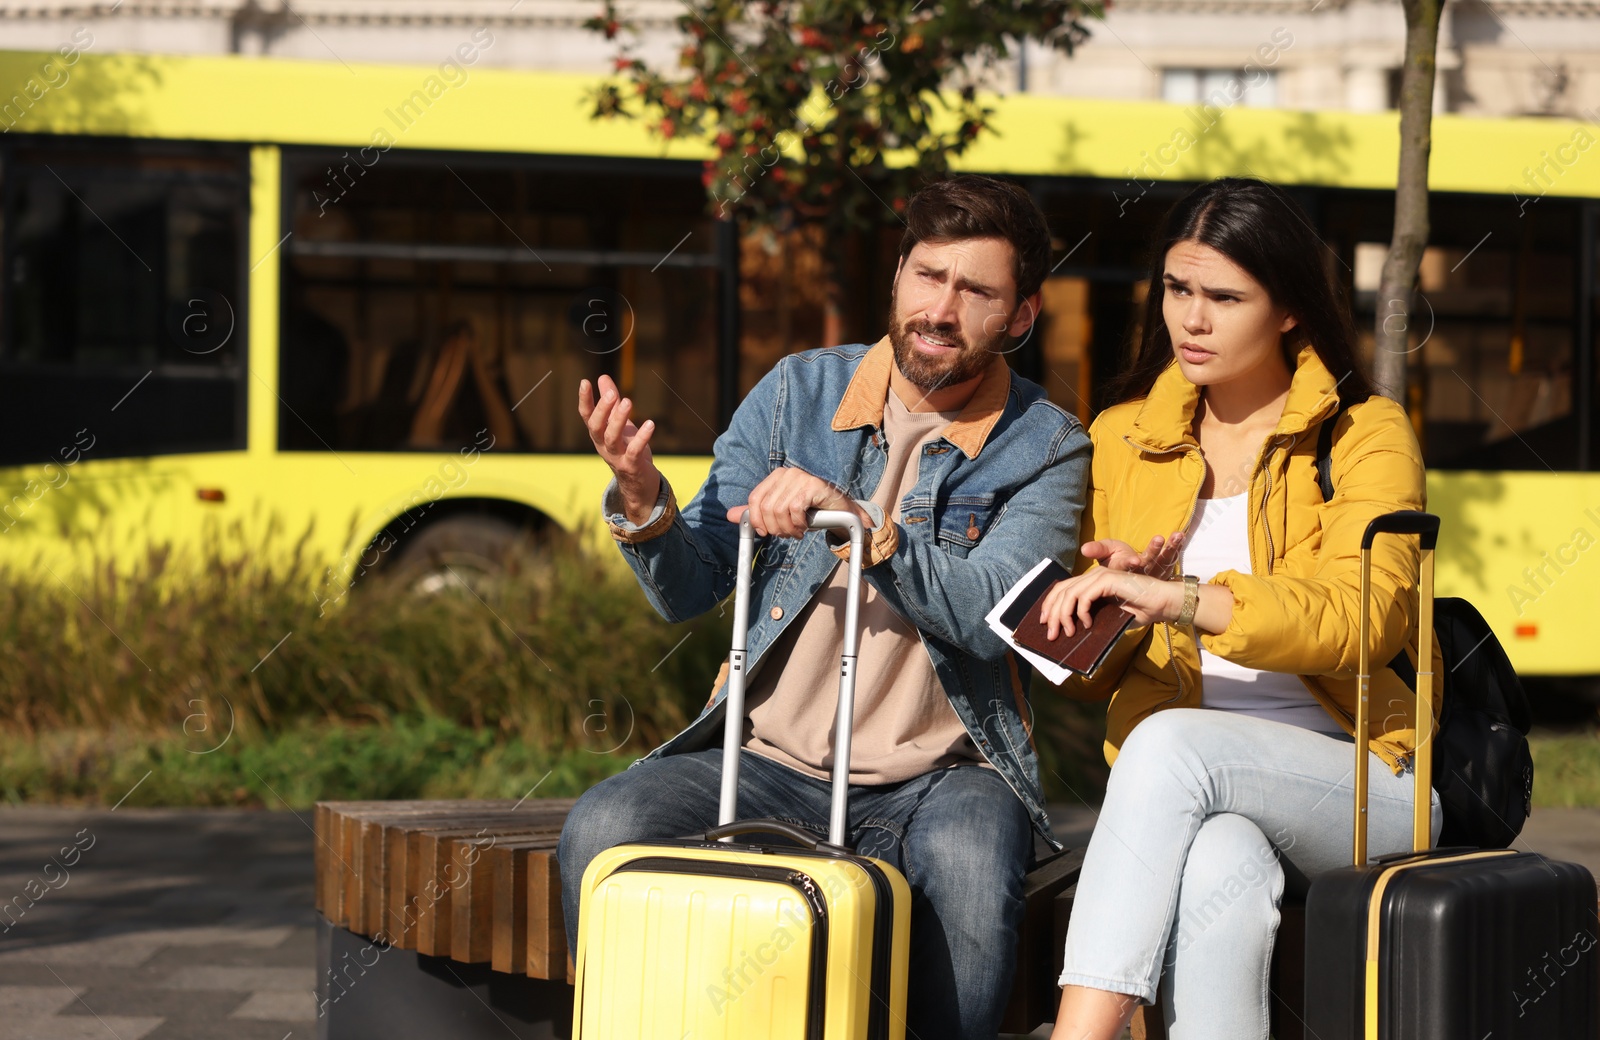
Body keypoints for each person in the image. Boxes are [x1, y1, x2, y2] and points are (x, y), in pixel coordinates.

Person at [558, 174, 1092, 1039]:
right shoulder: (796, 394)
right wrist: (642, 496)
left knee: (969, 864)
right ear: (897, 280)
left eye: (975, 291)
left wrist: (858, 523)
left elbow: (995, 608)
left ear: (1019, 317)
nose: (940, 308)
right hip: (765, 756)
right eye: (927, 276)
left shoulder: (1048, 445)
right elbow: (692, 585)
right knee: (606, 823)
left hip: (941, 775)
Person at [1037, 178, 1444, 1040]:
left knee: (1171, 745)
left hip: (1369, 781)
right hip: (1193, 791)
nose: (1192, 318)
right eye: (1179, 290)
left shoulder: (1365, 432)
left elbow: (1367, 618)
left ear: (1291, 307)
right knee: (1221, 857)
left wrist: (1183, 598)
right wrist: (1108, 615)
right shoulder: (1121, 437)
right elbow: (1082, 685)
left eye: (1225, 297)